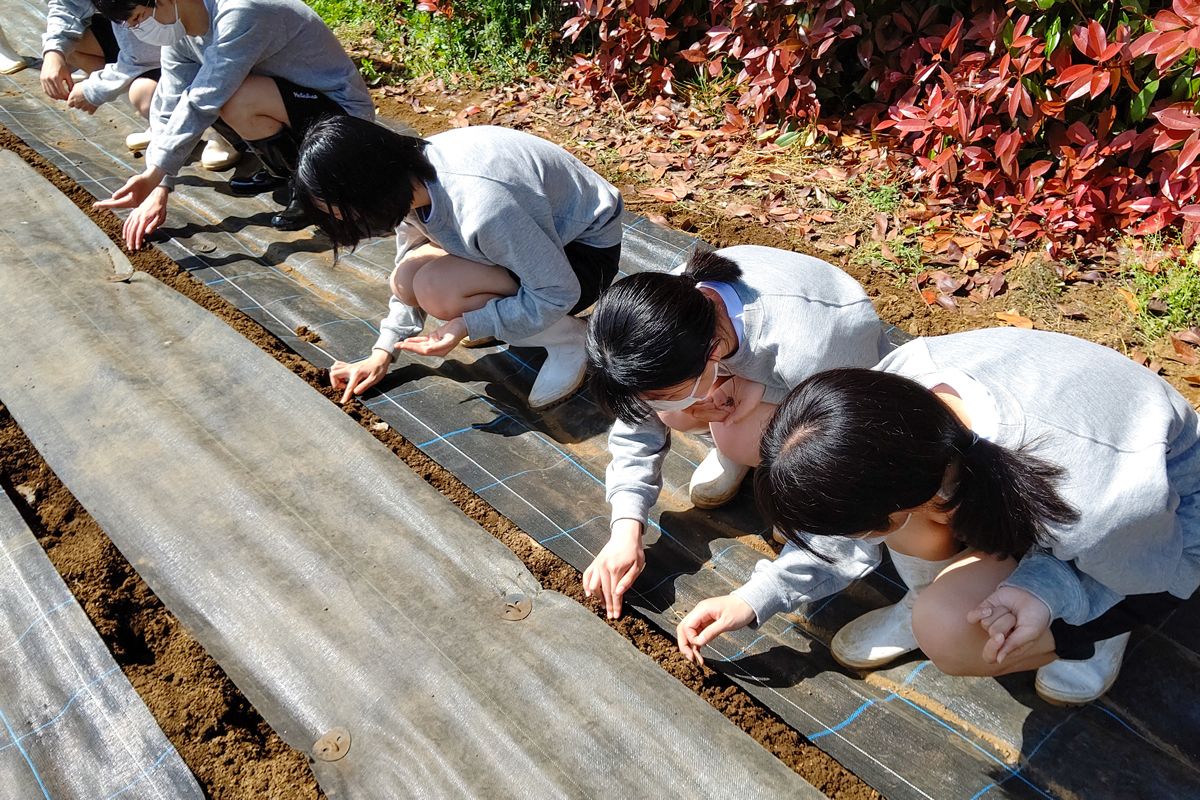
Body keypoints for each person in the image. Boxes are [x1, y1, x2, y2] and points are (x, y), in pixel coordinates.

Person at [677, 328, 1200, 705]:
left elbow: (1160, 573)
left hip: (1163, 529)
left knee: (951, 633)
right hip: (1044, 476)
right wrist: (754, 597)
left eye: (864, 529)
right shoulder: (887, 405)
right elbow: (844, 521)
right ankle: (931, 591)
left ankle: (1099, 633)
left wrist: (1048, 593)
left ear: (920, 505)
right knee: (919, 561)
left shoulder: (1093, 500)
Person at [583, 245, 892, 618]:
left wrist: (761, 595)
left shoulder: (807, 348)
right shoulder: (673, 309)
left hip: (840, 382)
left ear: (712, 354)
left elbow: (855, 469)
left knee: (741, 438)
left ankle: (772, 464)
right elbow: (637, 421)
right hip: (762, 373)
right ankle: (737, 450)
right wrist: (626, 528)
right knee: (678, 415)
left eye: (664, 394)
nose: (657, 403)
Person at [293, 117, 625, 410]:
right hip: (536, 243)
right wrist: (383, 352)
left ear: (369, 189)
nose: (348, 223)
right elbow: (406, 264)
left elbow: (557, 292)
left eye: (345, 213)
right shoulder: (406, 178)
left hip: (583, 255)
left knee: (438, 291)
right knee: (407, 278)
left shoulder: (484, 207)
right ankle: (504, 314)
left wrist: (467, 323)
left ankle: (572, 338)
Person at [92, 0, 373, 244]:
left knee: (235, 98)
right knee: (205, 99)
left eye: (139, 18)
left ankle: (319, 190)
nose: (140, 30)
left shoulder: (241, 11)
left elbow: (205, 97)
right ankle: (293, 173)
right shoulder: (180, 35)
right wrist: (159, 185)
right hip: (295, 108)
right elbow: (170, 105)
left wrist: (154, 174)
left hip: (343, 117)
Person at [39, 0, 176, 154]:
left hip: (167, 46)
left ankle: (191, 132)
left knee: (144, 94)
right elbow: (69, 5)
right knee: (69, 46)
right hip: (150, 46)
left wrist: (95, 90)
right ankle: (161, 122)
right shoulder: (131, 21)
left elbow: (143, 56)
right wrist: (54, 52)